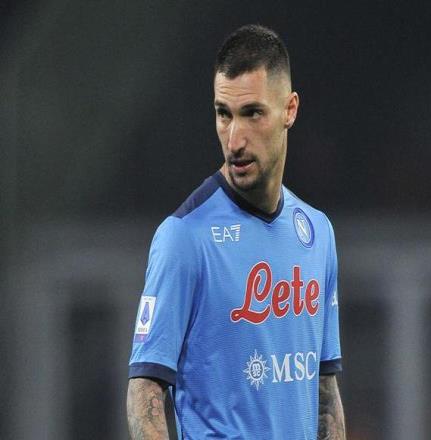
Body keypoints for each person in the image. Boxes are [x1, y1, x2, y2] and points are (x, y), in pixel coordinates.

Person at [127, 24, 345, 440]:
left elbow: (324, 390)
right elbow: (145, 390)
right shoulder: (184, 238)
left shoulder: (317, 233)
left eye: (252, 113)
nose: (234, 139)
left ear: (289, 110)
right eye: (223, 114)